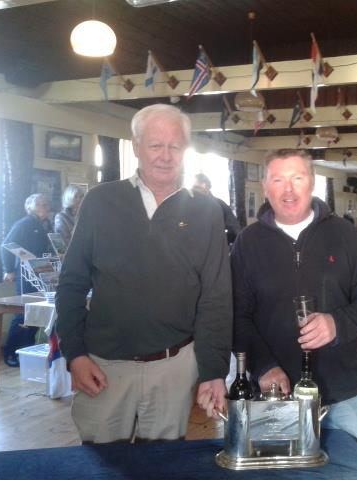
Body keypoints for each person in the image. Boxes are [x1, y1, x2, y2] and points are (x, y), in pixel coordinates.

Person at [56, 104, 232, 444]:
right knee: (100, 462)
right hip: (104, 364)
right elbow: (72, 283)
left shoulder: (207, 210)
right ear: (136, 146)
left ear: (185, 149)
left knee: (163, 467)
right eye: (155, 145)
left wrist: (213, 371)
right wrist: (74, 354)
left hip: (173, 366)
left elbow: (216, 296)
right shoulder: (100, 201)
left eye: (175, 146)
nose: (166, 156)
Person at [231, 149, 357, 444]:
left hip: (340, 392)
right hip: (273, 393)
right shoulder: (247, 243)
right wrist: (264, 366)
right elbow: (237, 315)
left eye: (297, 178)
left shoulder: (345, 235)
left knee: (346, 472)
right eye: (278, 180)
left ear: (312, 183)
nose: (288, 190)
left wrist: (337, 324)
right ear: (265, 187)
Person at [1, 193, 52, 367]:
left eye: (46, 204)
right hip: (25, 275)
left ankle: (27, 351)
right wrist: (9, 270)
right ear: (30, 207)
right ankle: (11, 353)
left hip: (42, 273)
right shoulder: (24, 224)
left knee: (36, 314)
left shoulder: (45, 225)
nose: (46, 207)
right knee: (23, 313)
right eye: (41, 204)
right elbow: (6, 245)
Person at [192, 173, 241, 246]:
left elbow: (235, 230)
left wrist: (220, 241)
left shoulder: (220, 205)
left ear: (205, 186)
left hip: (214, 251)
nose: (193, 190)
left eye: (196, 187)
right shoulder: (189, 206)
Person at [54, 184, 86, 249]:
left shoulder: (86, 214)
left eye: (82, 196)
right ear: (69, 198)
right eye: (76, 196)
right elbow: (63, 241)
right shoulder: (61, 217)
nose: (80, 199)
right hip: (72, 252)